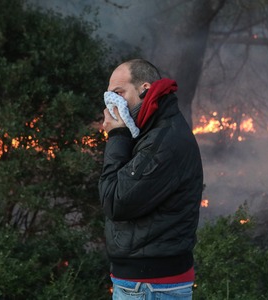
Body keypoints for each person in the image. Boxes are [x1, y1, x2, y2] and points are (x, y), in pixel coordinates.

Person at [99, 58, 203, 299]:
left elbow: (114, 201)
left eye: (119, 93)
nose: (111, 103)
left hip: (150, 286)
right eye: (108, 95)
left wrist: (117, 135)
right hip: (145, 284)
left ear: (145, 90)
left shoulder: (163, 141)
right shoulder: (149, 133)